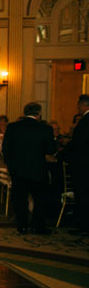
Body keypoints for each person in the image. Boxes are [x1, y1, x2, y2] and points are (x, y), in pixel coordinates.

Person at [3, 102, 56, 235]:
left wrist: (10, 165)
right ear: (39, 114)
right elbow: (51, 149)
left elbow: (5, 149)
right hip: (38, 169)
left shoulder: (12, 127)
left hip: (18, 170)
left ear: (24, 112)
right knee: (40, 199)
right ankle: (38, 227)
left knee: (20, 199)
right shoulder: (45, 129)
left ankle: (22, 226)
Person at [64, 94, 89, 236]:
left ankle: (84, 226)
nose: (77, 108)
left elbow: (80, 142)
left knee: (83, 195)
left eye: (78, 105)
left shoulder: (85, 121)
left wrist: (67, 145)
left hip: (83, 165)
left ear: (83, 105)